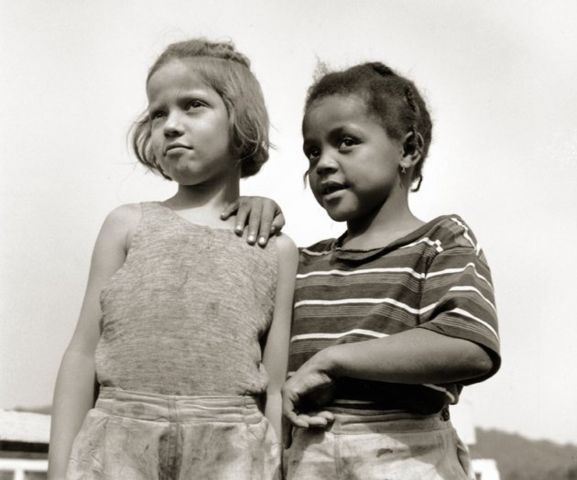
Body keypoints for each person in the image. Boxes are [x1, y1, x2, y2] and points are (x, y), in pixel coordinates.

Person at [223, 61, 500, 479]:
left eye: (346, 142)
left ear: (408, 150)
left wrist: (334, 360)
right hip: (306, 455)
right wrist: (250, 213)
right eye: (313, 151)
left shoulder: (440, 240)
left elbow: (470, 345)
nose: (323, 164)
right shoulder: (302, 262)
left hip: (409, 452)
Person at [48, 38, 298, 480]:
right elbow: (82, 355)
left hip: (233, 451)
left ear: (241, 121)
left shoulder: (275, 248)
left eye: (193, 105)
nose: (170, 125)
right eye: (157, 112)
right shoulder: (125, 225)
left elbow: (275, 387)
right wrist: (58, 469)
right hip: (118, 442)